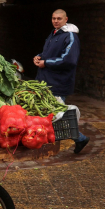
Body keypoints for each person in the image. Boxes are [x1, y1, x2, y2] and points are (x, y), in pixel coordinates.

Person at [34, 9, 90, 154]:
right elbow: (49, 53)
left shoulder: (70, 36)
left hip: (58, 82)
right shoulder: (54, 34)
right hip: (46, 81)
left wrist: (46, 63)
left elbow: (69, 60)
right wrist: (39, 57)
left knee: (58, 117)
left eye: (59, 18)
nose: (56, 21)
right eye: (54, 18)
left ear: (66, 19)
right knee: (53, 115)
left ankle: (80, 138)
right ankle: (77, 139)